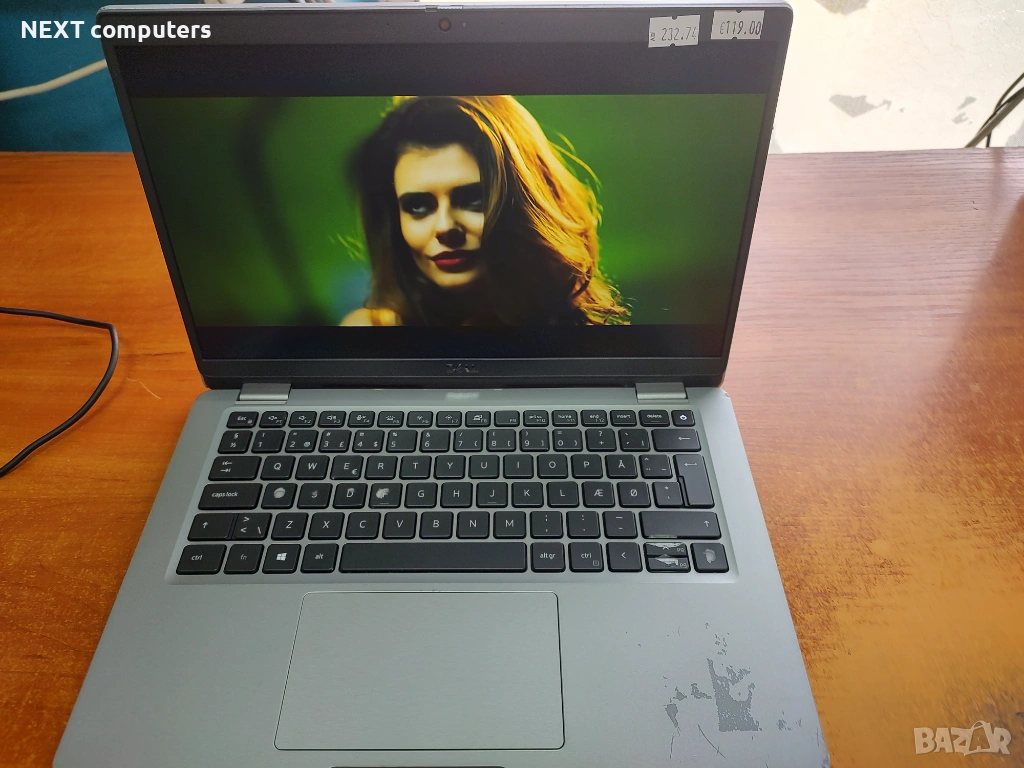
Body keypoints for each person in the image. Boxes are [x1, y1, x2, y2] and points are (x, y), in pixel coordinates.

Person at [341, 95, 630, 326]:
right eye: (418, 206)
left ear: (523, 206)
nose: (445, 227)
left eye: (473, 200)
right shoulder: (370, 334)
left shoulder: (582, 343)